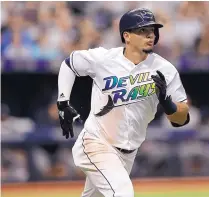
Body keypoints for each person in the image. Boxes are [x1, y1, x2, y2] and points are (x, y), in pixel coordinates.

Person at [57, 8, 190, 197]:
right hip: (96, 142)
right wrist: (63, 101)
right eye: (142, 30)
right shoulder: (105, 59)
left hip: (128, 153)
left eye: (152, 30)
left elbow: (181, 119)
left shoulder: (165, 70)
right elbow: (70, 63)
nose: (150, 35)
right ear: (127, 36)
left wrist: (168, 105)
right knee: (122, 193)